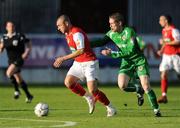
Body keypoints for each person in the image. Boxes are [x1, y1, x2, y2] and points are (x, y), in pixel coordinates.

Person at [91, 12, 161, 117]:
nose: (110, 26)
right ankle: (138, 89)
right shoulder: (111, 33)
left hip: (138, 60)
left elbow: (131, 51)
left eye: (112, 23)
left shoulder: (129, 32)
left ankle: (156, 110)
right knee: (122, 86)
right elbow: (101, 41)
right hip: (126, 62)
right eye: (109, 23)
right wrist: (86, 44)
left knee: (146, 86)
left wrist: (112, 54)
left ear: (119, 23)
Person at [54, 15, 116, 117]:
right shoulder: (67, 34)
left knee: (93, 90)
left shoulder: (76, 33)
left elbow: (81, 50)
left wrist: (63, 58)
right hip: (78, 63)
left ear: (66, 23)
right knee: (68, 82)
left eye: (59, 25)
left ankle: (110, 107)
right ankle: (89, 98)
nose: (58, 28)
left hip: (90, 63)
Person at [0, 21, 33, 103]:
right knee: (18, 79)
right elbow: (1, 48)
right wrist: (1, 48)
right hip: (10, 60)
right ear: (6, 28)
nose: (12, 27)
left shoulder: (19, 36)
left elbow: (28, 43)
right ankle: (29, 95)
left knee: (8, 73)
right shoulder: (4, 37)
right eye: (10, 26)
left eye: (13, 26)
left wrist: (27, 52)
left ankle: (16, 91)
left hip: (19, 59)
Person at [157, 14, 180, 103]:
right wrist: (161, 50)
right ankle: (164, 96)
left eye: (161, 20)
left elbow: (178, 41)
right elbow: (165, 42)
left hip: (175, 56)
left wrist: (167, 43)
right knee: (163, 74)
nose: (159, 22)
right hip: (166, 56)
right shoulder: (164, 30)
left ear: (166, 21)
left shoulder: (174, 30)